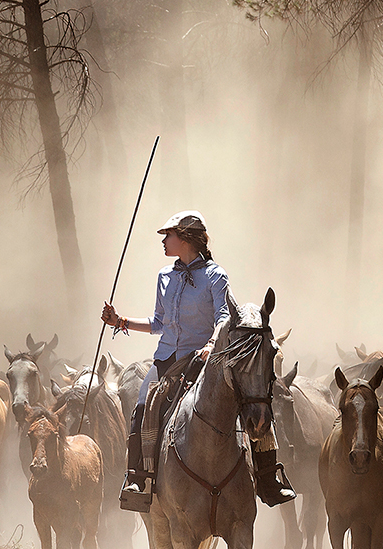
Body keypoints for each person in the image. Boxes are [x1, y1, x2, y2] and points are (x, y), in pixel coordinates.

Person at [101, 210, 296, 512]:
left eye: (169, 235)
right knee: (142, 404)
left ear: (186, 239)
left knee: (253, 398)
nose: (164, 241)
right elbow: (158, 322)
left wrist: (209, 344)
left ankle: (269, 478)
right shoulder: (164, 276)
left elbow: (223, 316)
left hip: (204, 360)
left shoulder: (216, 276)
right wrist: (120, 320)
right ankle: (139, 478)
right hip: (167, 358)